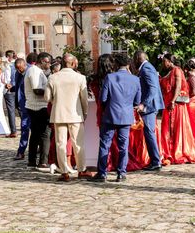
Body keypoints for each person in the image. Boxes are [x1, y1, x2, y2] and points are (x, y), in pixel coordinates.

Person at [93, 53, 141, 182]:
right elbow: (137, 101)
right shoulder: (135, 79)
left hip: (110, 115)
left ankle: (102, 173)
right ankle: (121, 173)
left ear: (116, 64)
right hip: (126, 116)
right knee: (123, 146)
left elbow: (103, 98)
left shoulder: (110, 77)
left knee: (105, 145)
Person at [44, 54, 90, 181]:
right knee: (78, 143)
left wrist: (56, 102)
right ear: (74, 64)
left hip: (59, 114)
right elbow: (84, 99)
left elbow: (47, 97)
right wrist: (85, 112)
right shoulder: (80, 78)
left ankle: (64, 172)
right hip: (75, 114)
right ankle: (82, 170)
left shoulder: (53, 77)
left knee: (61, 144)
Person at [159, 54, 195, 165]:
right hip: (168, 103)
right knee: (167, 129)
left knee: (175, 128)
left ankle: (176, 151)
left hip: (176, 105)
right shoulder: (170, 72)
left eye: (164, 61)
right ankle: (169, 151)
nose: (163, 63)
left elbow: (178, 87)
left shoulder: (177, 70)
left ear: (169, 61)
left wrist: (173, 100)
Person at [133, 50, 164, 171]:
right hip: (150, 105)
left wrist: (143, 104)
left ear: (137, 58)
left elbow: (153, 88)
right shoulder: (146, 68)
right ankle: (154, 160)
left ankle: (156, 161)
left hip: (149, 106)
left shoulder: (146, 69)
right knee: (148, 132)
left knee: (149, 133)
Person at [24, 52, 52, 168]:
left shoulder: (38, 71)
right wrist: (51, 93)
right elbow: (36, 90)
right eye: (48, 62)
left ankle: (32, 160)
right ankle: (42, 161)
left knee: (36, 134)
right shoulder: (34, 71)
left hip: (37, 106)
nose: (49, 65)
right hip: (37, 106)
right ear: (42, 61)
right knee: (45, 133)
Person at [12, 57, 30, 160]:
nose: (19, 70)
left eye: (20, 68)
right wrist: (12, 87)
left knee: (32, 129)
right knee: (24, 128)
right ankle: (21, 152)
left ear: (24, 65)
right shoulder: (17, 73)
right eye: (17, 68)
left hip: (31, 105)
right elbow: (19, 87)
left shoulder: (30, 72)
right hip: (22, 105)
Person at [2, 50, 17, 137]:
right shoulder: (17, 63)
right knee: (18, 109)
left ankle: (14, 131)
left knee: (11, 110)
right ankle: (19, 130)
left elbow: (2, 76)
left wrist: (7, 84)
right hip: (13, 89)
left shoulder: (5, 65)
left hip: (10, 89)